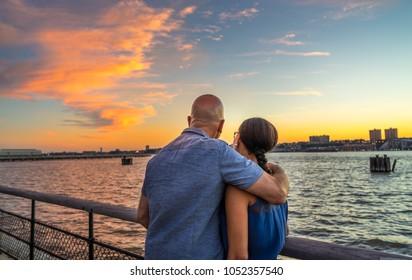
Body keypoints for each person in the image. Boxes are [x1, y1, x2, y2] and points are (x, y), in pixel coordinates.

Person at [137, 94, 289, 259]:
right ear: (221, 124)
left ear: (189, 120)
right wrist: (277, 170)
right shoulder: (218, 151)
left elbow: (142, 216)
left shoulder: (154, 161)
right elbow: (278, 193)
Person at [221, 117, 289, 260]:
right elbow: (286, 231)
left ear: (238, 139)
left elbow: (238, 257)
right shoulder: (276, 184)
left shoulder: (238, 190)